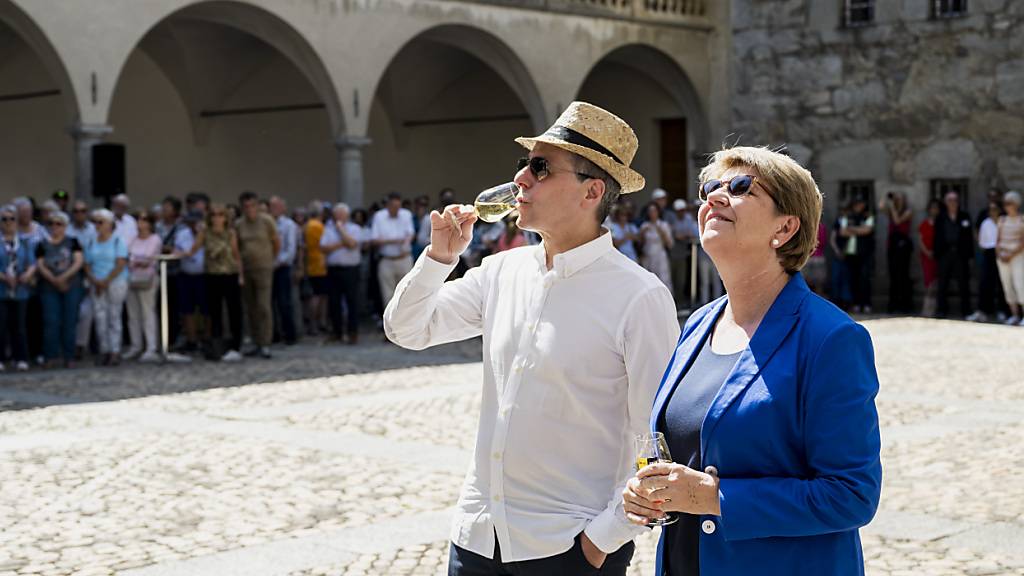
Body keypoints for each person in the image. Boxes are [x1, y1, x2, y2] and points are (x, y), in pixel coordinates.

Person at [385, 102, 679, 575]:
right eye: (524, 164)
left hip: (568, 547)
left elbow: (659, 439)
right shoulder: (502, 269)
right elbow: (408, 329)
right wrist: (439, 259)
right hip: (478, 538)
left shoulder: (639, 296)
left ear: (592, 191)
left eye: (540, 167)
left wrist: (603, 539)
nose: (521, 178)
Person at [623, 146, 881, 576]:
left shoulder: (830, 338)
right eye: (710, 188)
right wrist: (648, 493)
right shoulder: (699, 323)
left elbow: (852, 494)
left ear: (785, 228)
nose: (715, 197)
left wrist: (710, 497)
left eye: (741, 187)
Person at [35, 210, 85, 369]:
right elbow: (40, 264)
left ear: (65, 226)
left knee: (70, 321)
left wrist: (64, 278)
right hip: (49, 287)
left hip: (71, 285)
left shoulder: (73, 242)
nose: (55, 227)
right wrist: (54, 279)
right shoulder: (42, 244)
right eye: (51, 223)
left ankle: (69, 356)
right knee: (51, 321)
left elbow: (78, 262)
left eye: (59, 224)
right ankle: (50, 356)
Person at [236, 191, 279, 359]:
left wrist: (270, 260)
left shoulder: (267, 221)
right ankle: (256, 341)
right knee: (251, 307)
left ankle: (266, 343)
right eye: (246, 206)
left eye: (252, 205)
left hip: (264, 268)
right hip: (247, 269)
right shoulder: (239, 224)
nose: (249, 209)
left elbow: (276, 242)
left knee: (263, 306)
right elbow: (237, 247)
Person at [84, 209, 128, 366]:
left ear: (110, 224)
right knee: (100, 317)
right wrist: (96, 281)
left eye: (100, 222)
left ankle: (115, 350)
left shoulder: (118, 241)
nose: (97, 225)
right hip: (96, 283)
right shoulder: (91, 241)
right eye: (95, 222)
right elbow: (87, 264)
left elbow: (121, 263)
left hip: (115, 282)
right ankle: (104, 350)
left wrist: (106, 281)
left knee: (114, 316)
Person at [203, 203, 245, 360]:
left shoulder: (231, 233)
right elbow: (193, 249)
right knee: (215, 313)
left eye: (220, 215)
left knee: (234, 311)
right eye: (214, 215)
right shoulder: (206, 233)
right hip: (212, 275)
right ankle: (217, 347)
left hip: (230, 274)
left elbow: (236, 255)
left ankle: (236, 346)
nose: (217, 218)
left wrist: (241, 275)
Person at [321, 203, 364, 344]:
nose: (338, 217)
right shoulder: (327, 229)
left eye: (341, 214)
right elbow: (324, 247)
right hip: (333, 270)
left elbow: (352, 244)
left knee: (352, 301)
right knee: (334, 302)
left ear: (347, 215)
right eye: (336, 214)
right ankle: (337, 332)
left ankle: (353, 332)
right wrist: (342, 243)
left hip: (351, 270)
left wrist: (340, 230)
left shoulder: (355, 228)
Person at [0, 205, 36, 372]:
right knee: (1, 324)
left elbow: (32, 263)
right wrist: (4, 277)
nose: (8, 222)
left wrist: (27, 274)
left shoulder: (24, 242)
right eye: (4, 219)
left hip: (20, 289)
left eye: (11, 219)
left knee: (19, 325)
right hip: (2, 289)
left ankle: (20, 357)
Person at [124, 212, 162, 362]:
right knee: (133, 314)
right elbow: (128, 257)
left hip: (148, 279)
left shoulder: (155, 239)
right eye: (139, 219)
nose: (140, 222)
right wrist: (135, 261)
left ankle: (151, 347)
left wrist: (136, 261)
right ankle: (136, 346)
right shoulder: (133, 239)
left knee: (148, 313)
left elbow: (148, 258)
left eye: (144, 220)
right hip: (131, 279)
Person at [371, 191, 415, 311]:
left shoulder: (406, 214)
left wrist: (404, 242)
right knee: (388, 295)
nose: (396, 210)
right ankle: (390, 326)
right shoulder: (379, 216)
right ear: (388, 206)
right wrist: (393, 241)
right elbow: (374, 240)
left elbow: (410, 234)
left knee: (407, 293)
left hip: (404, 258)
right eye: (394, 207)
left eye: (398, 207)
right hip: (387, 260)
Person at [933, 191, 973, 318]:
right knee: (942, 283)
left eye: (955, 200)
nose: (952, 203)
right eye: (950, 200)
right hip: (944, 254)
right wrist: (937, 253)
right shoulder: (940, 217)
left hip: (961, 254)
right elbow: (936, 237)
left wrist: (969, 254)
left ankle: (966, 310)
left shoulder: (964, 216)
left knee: (963, 283)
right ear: (945, 203)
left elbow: (969, 237)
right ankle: (941, 310)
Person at [171, 211, 207, 353]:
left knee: (206, 309)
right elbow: (177, 251)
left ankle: (206, 338)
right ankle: (191, 339)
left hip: (204, 274)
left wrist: (200, 234)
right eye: (191, 222)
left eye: (195, 222)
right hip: (186, 273)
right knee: (187, 309)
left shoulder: (206, 233)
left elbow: (191, 252)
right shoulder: (182, 234)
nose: (193, 225)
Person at [968, 201, 1005, 323]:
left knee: (1002, 284)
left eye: (995, 209)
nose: (993, 211)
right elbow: (982, 242)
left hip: (1003, 253)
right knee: (985, 283)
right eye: (990, 209)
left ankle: (1003, 311)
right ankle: (983, 311)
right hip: (988, 253)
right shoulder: (985, 223)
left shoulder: (1004, 221)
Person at [269, 196, 299, 345]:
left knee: (284, 302)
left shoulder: (289, 225)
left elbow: (291, 249)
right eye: (271, 206)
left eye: (276, 206)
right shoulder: (267, 224)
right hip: (268, 269)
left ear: (283, 208)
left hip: (283, 268)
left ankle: (290, 334)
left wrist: (278, 262)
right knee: (269, 303)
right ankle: (273, 334)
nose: (273, 209)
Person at [838, 196, 875, 313]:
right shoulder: (847, 216)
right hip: (850, 254)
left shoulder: (867, 216)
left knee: (865, 279)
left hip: (864, 253)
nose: (859, 206)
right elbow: (842, 232)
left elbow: (867, 230)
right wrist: (859, 229)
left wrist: (851, 229)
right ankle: (856, 304)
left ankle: (866, 304)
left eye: (861, 203)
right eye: (857, 203)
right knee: (853, 279)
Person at [879, 191, 913, 313]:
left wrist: (893, 207)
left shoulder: (908, 211)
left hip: (903, 247)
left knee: (903, 275)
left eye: (900, 198)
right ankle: (893, 305)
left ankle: (905, 305)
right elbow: (881, 207)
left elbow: (897, 221)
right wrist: (887, 197)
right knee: (893, 275)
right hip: (892, 246)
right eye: (897, 199)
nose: (898, 201)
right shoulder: (892, 210)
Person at [996, 191, 1024, 325]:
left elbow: (1023, 242)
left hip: (1018, 256)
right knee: (1007, 286)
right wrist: (1000, 254)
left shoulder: (1022, 219)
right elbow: (998, 240)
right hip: (1003, 257)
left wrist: (1011, 255)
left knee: (1020, 285)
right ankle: (1014, 315)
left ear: (1016, 204)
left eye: (1009, 203)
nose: (1007, 206)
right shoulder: (1002, 220)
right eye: (1005, 203)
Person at [303, 201, 328, 337]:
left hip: (312, 263)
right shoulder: (317, 226)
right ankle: (315, 323)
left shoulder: (307, 225)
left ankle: (318, 323)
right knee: (318, 295)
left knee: (317, 295)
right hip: (319, 264)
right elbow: (324, 244)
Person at [669, 199, 700, 307]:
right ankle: (674, 303)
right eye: (679, 210)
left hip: (685, 254)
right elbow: (675, 235)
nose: (681, 212)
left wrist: (682, 236)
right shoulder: (671, 219)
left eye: (682, 210)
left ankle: (681, 302)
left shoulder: (688, 219)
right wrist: (683, 235)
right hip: (672, 254)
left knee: (682, 280)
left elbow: (692, 234)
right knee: (672, 279)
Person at [640, 202, 674, 293]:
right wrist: (642, 234)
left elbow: (669, 244)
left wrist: (660, 231)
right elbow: (640, 243)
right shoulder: (645, 226)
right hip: (648, 256)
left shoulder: (663, 225)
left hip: (660, 256)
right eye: (650, 211)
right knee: (649, 280)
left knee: (664, 279)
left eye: (654, 211)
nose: (652, 213)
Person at [918, 199, 941, 317]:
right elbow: (920, 240)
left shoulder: (941, 223)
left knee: (936, 282)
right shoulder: (924, 224)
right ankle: (927, 309)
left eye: (936, 208)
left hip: (938, 256)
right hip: (927, 257)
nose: (934, 210)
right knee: (928, 282)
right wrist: (927, 252)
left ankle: (935, 308)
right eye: (932, 208)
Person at [802, 220, 828, 296]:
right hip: (818, 257)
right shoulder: (822, 227)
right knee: (819, 284)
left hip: (807, 257)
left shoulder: (806, 227)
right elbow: (823, 242)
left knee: (805, 282)